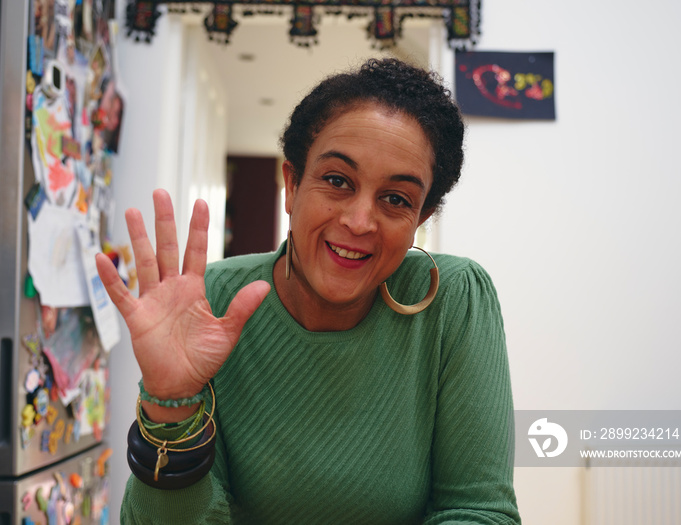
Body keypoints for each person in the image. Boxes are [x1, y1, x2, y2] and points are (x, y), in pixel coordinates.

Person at [96, 58, 521, 524]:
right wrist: (169, 405)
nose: (359, 221)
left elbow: (480, 512)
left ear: (419, 219)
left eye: (396, 199)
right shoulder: (211, 302)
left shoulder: (454, 301)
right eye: (337, 181)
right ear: (292, 185)